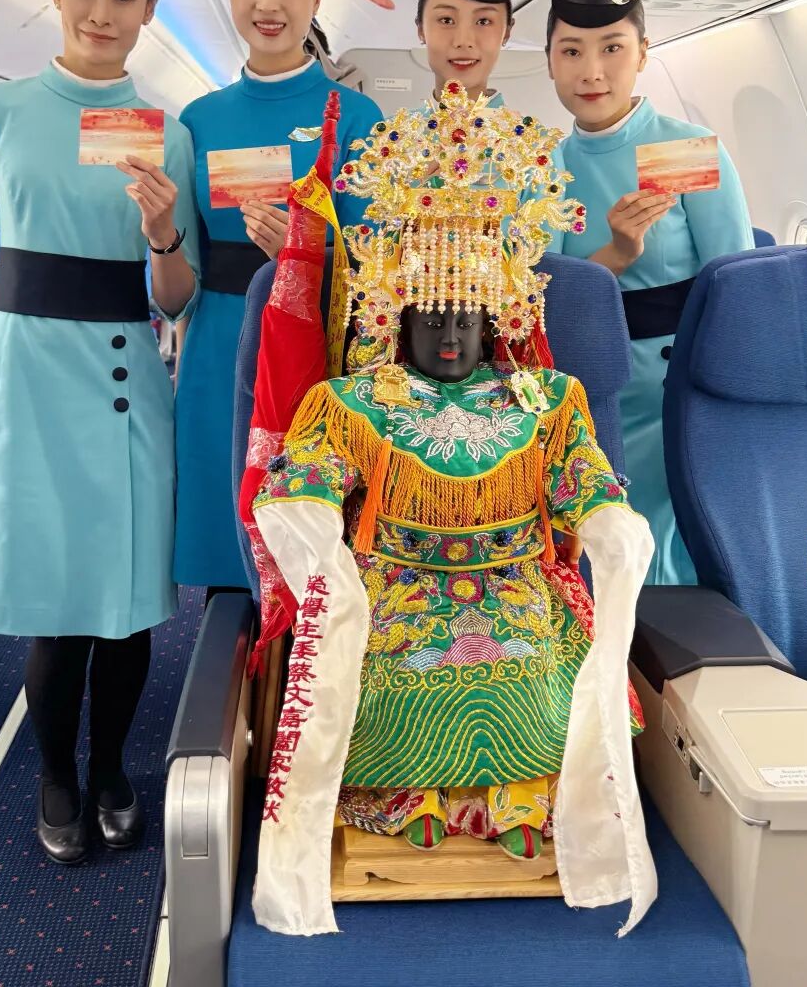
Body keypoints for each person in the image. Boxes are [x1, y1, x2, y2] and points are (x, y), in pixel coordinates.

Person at [248, 82, 656, 938]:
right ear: (397, 316)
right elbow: (308, 471)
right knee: (374, 686)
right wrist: (310, 513)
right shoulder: (354, 401)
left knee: (548, 686)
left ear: (496, 318)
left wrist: (609, 521)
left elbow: (581, 475)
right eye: (430, 315)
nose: (447, 336)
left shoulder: (546, 398)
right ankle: (409, 802)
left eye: (465, 317)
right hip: (397, 582)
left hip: (516, 582)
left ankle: (519, 803)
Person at [0, 0, 199, 863]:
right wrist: (14, 340)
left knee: (123, 604)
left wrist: (162, 233)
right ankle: (56, 773)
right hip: (24, 378)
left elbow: (175, 298)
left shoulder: (165, 132)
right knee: (55, 604)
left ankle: (112, 769)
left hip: (124, 373)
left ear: (149, 9)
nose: (101, 11)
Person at [174, 0, 382, 598]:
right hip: (217, 348)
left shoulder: (356, 117)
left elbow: (375, 271)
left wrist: (305, 258)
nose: (268, 2)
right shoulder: (198, 120)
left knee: (313, 557)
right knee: (228, 564)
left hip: (313, 354)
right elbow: (180, 280)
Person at [545, 0, 753, 583]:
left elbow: (737, 286)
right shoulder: (545, 168)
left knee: (676, 547)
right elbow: (546, 298)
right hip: (590, 392)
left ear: (642, 52)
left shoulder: (681, 150)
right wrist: (617, 253)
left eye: (612, 48)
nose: (591, 71)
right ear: (550, 61)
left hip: (681, 383)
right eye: (571, 51)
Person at [416, 0, 517, 109]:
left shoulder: (529, 128)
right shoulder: (388, 127)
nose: (463, 41)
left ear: (507, 32)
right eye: (446, 20)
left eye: (483, 21)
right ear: (421, 29)